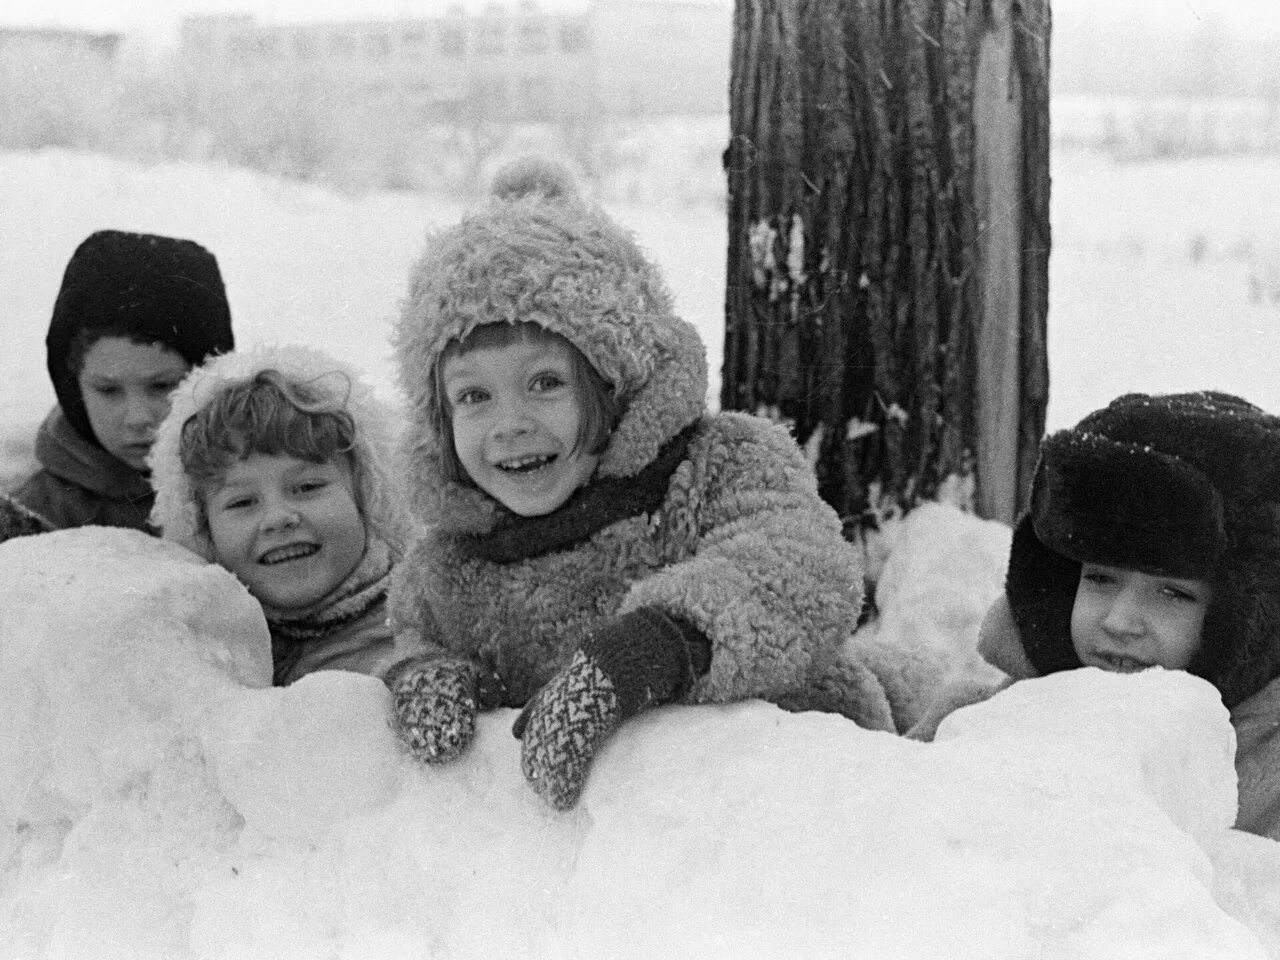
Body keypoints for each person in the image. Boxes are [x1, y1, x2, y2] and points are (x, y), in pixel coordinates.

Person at [385, 157, 895, 811]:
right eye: (474, 396)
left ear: (612, 381)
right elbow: (412, 634)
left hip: (805, 800)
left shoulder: (717, 465)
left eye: (545, 383)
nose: (509, 425)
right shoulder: (449, 565)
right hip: (621, 863)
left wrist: (655, 646)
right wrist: (428, 673)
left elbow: (798, 568)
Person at [907, 391, 1280, 841]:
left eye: (1172, 593)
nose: (1119, 621)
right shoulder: (980, 721)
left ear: (1251, 618)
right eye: (1100, 579)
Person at [148, 345, 414, 687]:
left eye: (307, 487)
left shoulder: (422, 634)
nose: (278, 518)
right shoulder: (200, 657)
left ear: (368, 496)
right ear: (202, 531)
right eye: (242, 502)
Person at [9, 230, 235, 533]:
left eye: (161, 386)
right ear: (72, 388)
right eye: (108, 390)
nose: (138, 418)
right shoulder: (39, 520)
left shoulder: (264, 481)